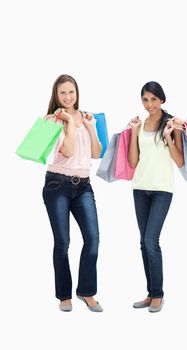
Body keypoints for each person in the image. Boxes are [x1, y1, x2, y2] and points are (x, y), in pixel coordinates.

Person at [42, 74, 103, 312]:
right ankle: (64, 295)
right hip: (57, 185)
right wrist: (67, 121)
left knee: (93, 239)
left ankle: (86, 291)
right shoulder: (53, 120)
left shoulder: (87, 117)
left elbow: (96, 153)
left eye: (71, 92)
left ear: (77, 92)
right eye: (62, 93)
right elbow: (66, 151)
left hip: (84, 186)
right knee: (63, 241)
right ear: (56, 96)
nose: (68, 97)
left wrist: (89, 126)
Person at [128, 81, 184, 312]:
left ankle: (159, 295)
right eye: (145, 99)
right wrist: (133, 132)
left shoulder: (172, 124)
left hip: (162, 189)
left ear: (162, 99)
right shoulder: (140, 126)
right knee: (143, 243)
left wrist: (170, 136)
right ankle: (151, 294)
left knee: (152, 240)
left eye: (153, 99)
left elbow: (180, 161)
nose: (149, 104)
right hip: (140, 187)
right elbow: (133, 162)